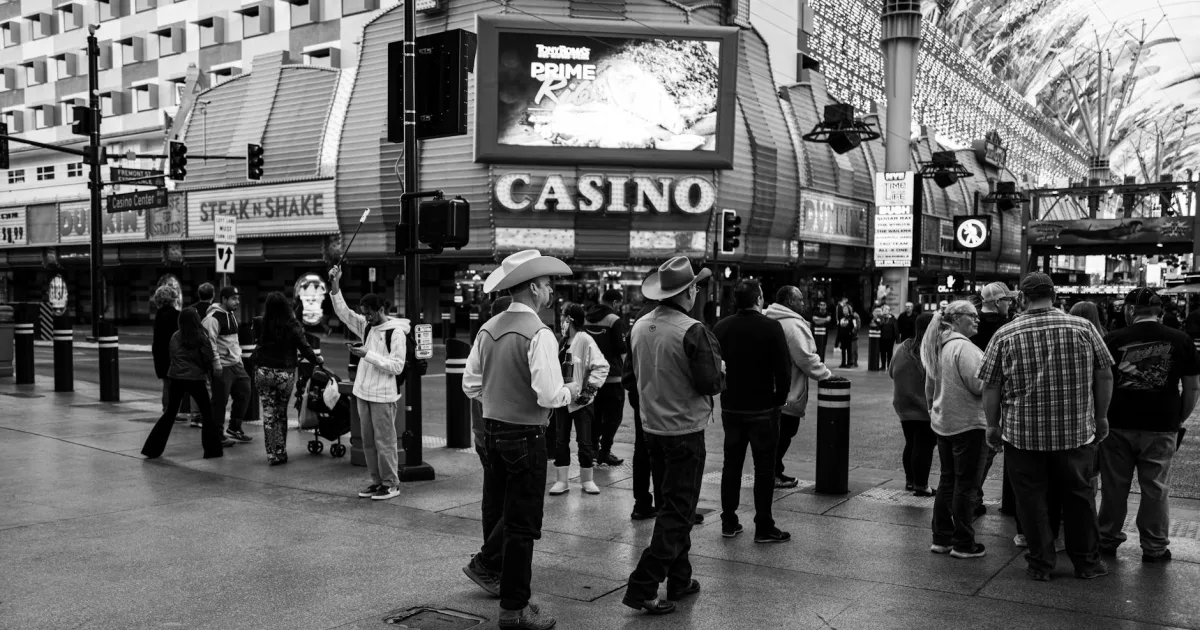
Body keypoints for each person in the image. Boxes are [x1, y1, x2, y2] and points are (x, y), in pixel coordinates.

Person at [462, 250, 579, 630]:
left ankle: (500, 583)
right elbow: (548, 395)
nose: (549, 291)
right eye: (546, 284)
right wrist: (571, 392)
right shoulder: (539, 333)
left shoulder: (488, 329)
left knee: (500, 512)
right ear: (533, 287)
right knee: (522, 525)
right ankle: (514, 610)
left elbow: (470, 385)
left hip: (493, 432)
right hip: (527, 436)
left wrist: (497, 397)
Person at [979, 272, 1115, 582]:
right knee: (1080, 499)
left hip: (1022, 435)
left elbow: (991, 387)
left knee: (1030, 500)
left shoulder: (1006, 333)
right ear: (1053, 296)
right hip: (1076, 433)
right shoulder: (1084, 327)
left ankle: (1041, 563)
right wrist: (1102, 416)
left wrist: (992, 426)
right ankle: (1087, 563)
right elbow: (1105, 374)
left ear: (1023, 299)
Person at [623, 256, 724, 615]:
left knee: (672, 504)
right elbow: (711, 382)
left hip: (652, 430)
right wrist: (721, 370)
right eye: (695, 286)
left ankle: (680, 579)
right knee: (678, 513)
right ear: (688, 291)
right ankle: (643, 586)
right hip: (685, 430)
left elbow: (629, 381)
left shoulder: (638, 327)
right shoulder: (692, 330)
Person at [1098, 288, 1200, 563]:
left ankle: (1107, 539)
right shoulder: (1181, 340)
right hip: (1161, 424)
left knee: (1113, 486)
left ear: (1131, 310)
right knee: (1156, 488)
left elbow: (1100, 382)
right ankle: (1154, 547)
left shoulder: (1113, 339)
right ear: (1159, 311)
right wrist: (1179, 417)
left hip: (1117, 424)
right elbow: (1192, 388)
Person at [713, 280, 791, 543]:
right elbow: (783, 370)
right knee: (764, 468)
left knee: (731, 465)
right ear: (759, 298)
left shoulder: (721, 327)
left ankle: (729, 520)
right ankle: (763, 525)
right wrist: (779, 399)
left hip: (732, 407)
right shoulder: (771, 327)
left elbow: (715, 366)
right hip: (763, 408)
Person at [329, 266, 409, 502]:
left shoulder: (396, 332)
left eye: (370, 313)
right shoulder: (366, 326)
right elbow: (344, 312)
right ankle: (377, 482)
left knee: (385, 442)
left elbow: (397, 366)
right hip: (363, 393)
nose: (366, 317)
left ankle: (391, 484)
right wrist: (335, 284)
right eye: (364, 313)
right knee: (368, 442)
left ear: (381, 310)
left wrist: (366, 354)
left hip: (384, 396)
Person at [923, 300, 988, 559]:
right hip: (968, 425)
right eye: (973, 315)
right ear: (958, 318)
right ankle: (963, 543)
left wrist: (935, 412)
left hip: (945, 424)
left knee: (948, 481)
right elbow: (980, 385)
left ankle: (941, 538)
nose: (977, 320)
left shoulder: (938, 345)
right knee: (967, 485)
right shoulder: (964, 348)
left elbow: (929, 390)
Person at [463, 296, 513, 598]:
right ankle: (489, 562)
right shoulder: (493, 339)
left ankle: (494, 563)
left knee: (494, 498)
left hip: (485, 432)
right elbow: (475, 386)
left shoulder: (484, 337)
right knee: (512, 502)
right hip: (494, 431)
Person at [765, 286, 835, 488]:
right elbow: (805, 357)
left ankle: (774, 470)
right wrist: (826, 375)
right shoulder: (793, 325)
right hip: (788, 392)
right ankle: (774, 473)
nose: (804, 304)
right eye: (800, 300)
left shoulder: (769, 318)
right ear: (789, 302)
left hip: (769, 390)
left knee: (775, 434)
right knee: (784, 432)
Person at [141, 307, 227, 459]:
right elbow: (207, 358)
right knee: (207, 414)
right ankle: (212, 450)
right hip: (196, 379)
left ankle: (152, 448)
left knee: (170, 413)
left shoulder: (175, 336)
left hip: (176, 379)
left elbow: (172, 355)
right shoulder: (201, 336)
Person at [253, 292, 322, 465]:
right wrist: (317, 360)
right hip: (284, 373)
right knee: (281, 412)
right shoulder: (292, 324)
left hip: (263, 371)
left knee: (268, 413)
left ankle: (271, 454)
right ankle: (281, 451)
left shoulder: (261, 323)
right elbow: (305, 347)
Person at [549, 303, 609, 496]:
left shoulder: (585, 339)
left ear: (570, 319)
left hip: (581, 403)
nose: (561, 322)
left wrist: (589, 391)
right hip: (561, 399)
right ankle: (562, 480)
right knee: (561, 440)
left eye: (563, 317)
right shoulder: (561, 341)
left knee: (585, 441)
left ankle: (587, 480)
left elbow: (601, 366)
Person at [973, 282, 1017, 516]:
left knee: (980, 452)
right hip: (1004, 394)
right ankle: (1009, 502)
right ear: (997, 302)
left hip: (977, 393)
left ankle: (974, 496)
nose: (1010, 304)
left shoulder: (972, 323)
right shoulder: (1009, 325)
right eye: (1007, 300)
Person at [624, 298, 666, 521]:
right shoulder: (665, 316)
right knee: (661, 451)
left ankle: (641, 503)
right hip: (661, 395)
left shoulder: (640, 316)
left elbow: (628, 365)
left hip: (640, 394)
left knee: (642, 449)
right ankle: (662, 503)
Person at [892, 312, 936, 494]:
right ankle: (921, 485)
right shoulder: (930, 349)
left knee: (911, 443)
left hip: (903, 405)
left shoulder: (904, 346)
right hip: (923, 407)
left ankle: (910, 481)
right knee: (924, 446)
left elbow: (891, 370)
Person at [203, 286, 253, 444]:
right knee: (220, 400)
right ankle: (216, 434)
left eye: (238, 298)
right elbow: (209, 342)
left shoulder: (230, 314)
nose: (237, 302)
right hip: (222, 366)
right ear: (224, 299)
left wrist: (238, 358)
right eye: (234, 299)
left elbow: (233, 340)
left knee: (245, 390)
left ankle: (234, 427)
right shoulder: (213, 318)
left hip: (235, 364)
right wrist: (216, 362)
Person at [584, 289, 629, 467]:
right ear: (615, 303)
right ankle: (605, 451)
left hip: (592, 378)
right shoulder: (614, 320)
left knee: (594, 415)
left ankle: (593, 448)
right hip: (612, 379)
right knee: (614, 417)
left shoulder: (586, 318)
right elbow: (622, 350)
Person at [151, 284, 184, 416]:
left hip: (160, 354)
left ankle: (167, 411)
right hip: (174, 354)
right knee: (175, 386)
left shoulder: (158, 316)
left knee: (167, 384)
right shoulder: (177, 316)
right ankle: (172, 413)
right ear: (172, 299)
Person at [836, 299, 856, 368]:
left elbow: (854, 326)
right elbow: (839, 327)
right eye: (844, 309)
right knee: (843, 350)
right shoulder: (841, 317)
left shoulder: (851, 317)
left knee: (849, 350)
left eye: (846, 309)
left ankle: (849, 362)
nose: (845, 310)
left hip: (849, 336)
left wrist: (852, 333)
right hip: (842, 336)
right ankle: (843, 362)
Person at [878, 304, 898, 370]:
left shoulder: (893, 319)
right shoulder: (880, 318)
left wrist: (897, 338)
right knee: (882, 352)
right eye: (884, 309)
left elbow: (896, 329)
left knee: (889, 353)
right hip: (882, 338)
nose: (885, 310)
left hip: (890, 339)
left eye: (887, 309)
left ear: (889, 311)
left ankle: (889, 366)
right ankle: (883, 366)